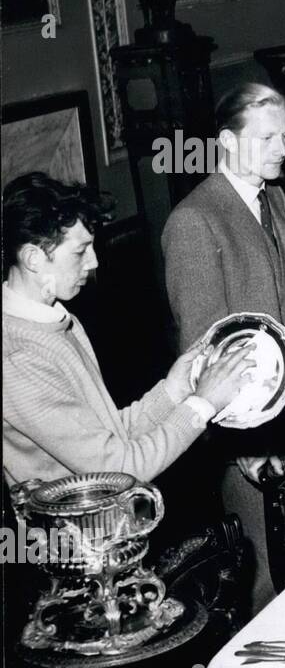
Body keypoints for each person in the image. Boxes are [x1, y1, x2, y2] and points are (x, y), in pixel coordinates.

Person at [161, 83, 285, 611]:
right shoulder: (195, 221)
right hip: (252, 435)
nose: (282, 148)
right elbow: (204, 351)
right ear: (226, 140)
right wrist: (242, 445)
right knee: (270, 578)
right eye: (267, 137)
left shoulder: (275, 196)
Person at [2, 172, 252, 486]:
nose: (93, 262)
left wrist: (174, 389)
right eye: (80, 251)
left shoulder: (57, 321)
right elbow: (120, 467)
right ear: (32, 258)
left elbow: (109, 434)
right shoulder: (17, 359)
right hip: (75, 533)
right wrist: (203, 404)